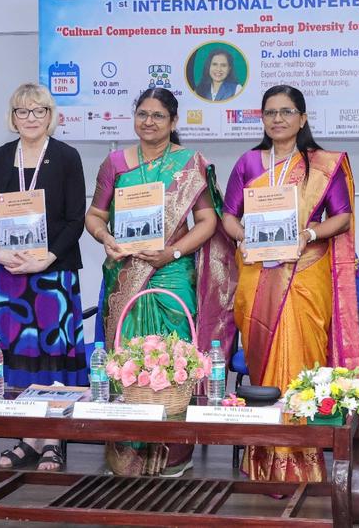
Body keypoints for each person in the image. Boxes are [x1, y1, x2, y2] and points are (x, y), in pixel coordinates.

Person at [85, 88, 237, 477]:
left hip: (172, 270)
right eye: (142, 114)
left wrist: (173, 252)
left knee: (174, 353)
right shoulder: (115, 163)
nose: (148, 122)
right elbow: (95, 215)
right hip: (126, 270)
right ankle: (128, 448)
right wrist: (106, 238)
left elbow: (208, 221)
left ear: (173, 122)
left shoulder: (189, 164)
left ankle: (173, 452)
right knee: (126, 352)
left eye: (157, 116)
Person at [221, 85, 359, 483]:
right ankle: (264, 456)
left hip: (305, 274)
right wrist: (242, 237)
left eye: (286, 112)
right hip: (257, 276)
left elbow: (342, 217)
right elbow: (229, 215)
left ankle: (302, 457)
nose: (278, 119)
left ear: (302, 118)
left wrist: (309, 235)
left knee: (302, 361)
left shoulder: (322, 164)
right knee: (263, 364)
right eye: (270, 112)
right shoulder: (248, 162)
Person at [0, 83, 88, 473]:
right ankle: (27, 437)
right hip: (8, 277)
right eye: (22, 111)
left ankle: (53, 439)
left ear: (50, 116)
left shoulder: (67, 157)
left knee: (52, 361)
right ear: (13, 117)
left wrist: (47, 258)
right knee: (16, 361)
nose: (30, 118)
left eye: (38, 111)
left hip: (52, 277)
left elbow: (75, 219)